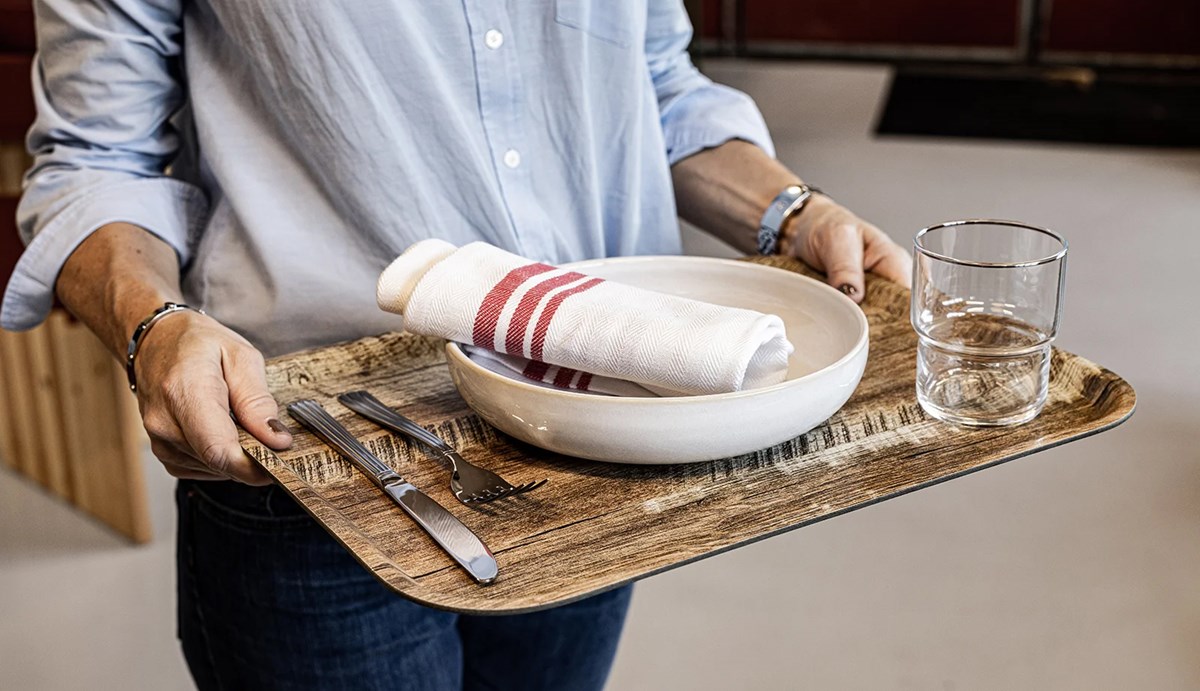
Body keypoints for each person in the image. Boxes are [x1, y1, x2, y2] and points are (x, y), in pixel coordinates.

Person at [1, 1, 911, 689]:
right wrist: (153, 325)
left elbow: (656, 85)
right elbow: (94, 161)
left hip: (596, 430)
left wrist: (793, 210)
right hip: (319, 452)